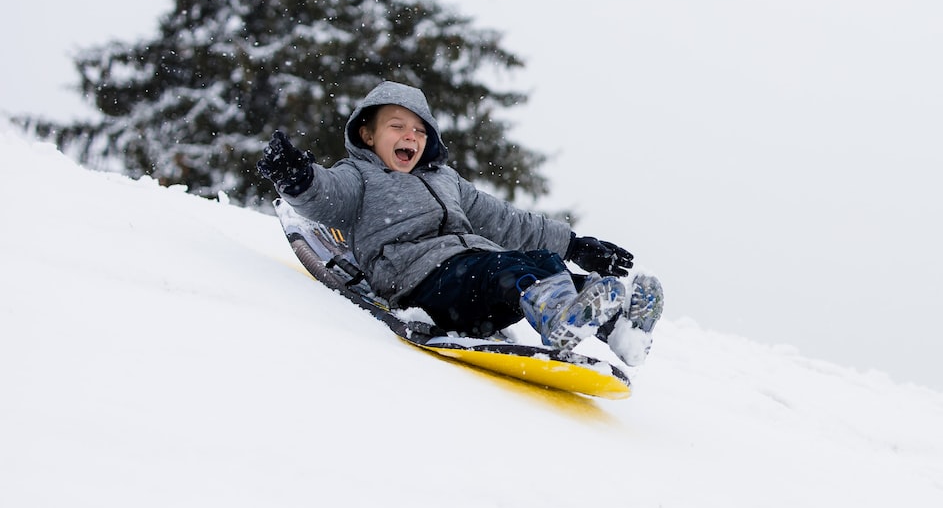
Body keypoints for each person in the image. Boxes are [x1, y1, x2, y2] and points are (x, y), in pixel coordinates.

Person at [255, 80, 662, 366]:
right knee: (508, 270)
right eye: (396, 126)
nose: (409, 137)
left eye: (418, 130)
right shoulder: (359, 176)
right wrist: (298, 177)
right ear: (366, 134)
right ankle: (558, 317)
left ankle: (620, 328)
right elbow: (325, 198)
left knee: (537, 262)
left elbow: (505, 220)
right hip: (420, 281)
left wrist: (573, 246)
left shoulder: (446, 180)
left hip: (473, 281)